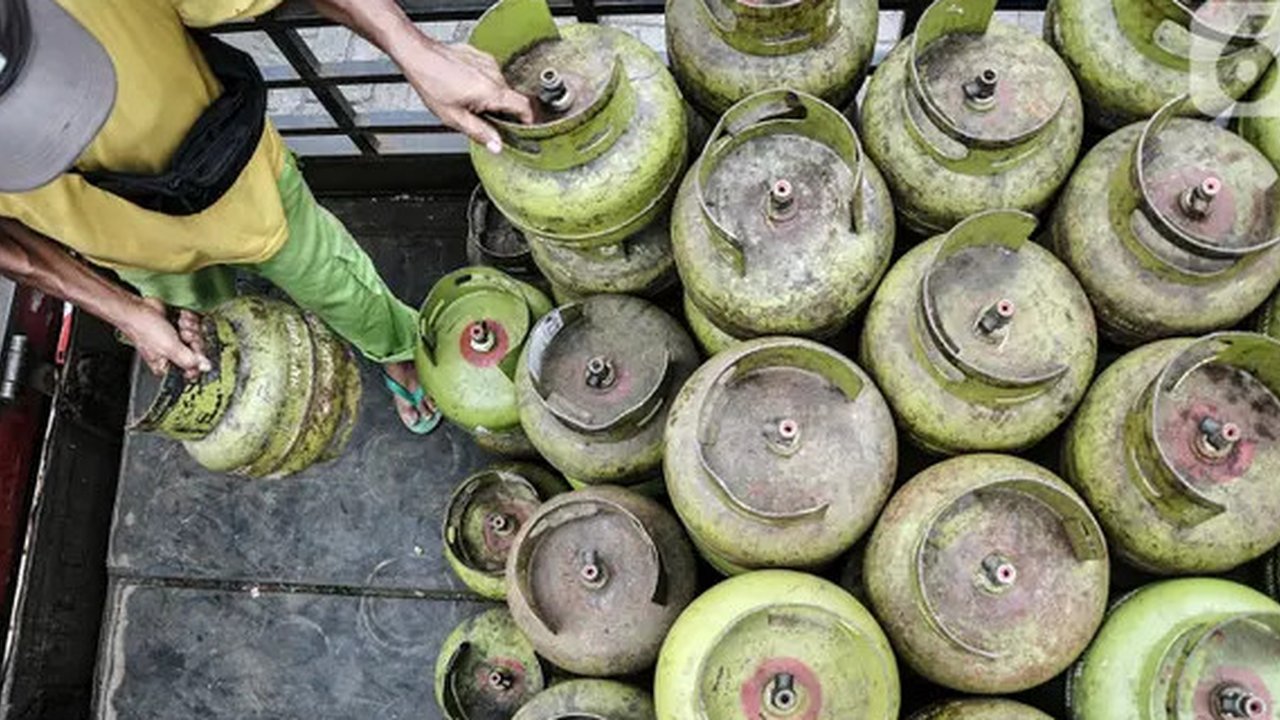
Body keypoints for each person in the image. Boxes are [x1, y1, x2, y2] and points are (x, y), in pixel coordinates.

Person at [0, 0, 533, 432]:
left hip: (245, 190)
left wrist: (414, 49)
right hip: (137, 256)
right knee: (215, 339)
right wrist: (126, 312)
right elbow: (13, 250)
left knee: (339, 286)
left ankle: (398, 350)